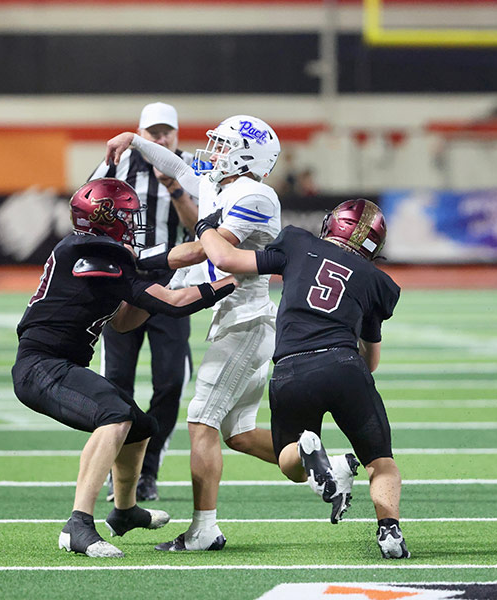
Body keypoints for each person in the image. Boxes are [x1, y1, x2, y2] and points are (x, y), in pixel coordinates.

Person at [11, 178, 236, 558]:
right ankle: (77, 524)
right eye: (127, 215)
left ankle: (125, 511)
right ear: (105, 217)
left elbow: (123, 321)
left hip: (59, 363)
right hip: (41, 366)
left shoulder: (94, 252)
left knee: (140, 425)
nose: (133, 222)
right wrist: (228, 283)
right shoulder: (90, 252)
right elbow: (173, 304)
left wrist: (162, 277)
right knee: (114, 416)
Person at [194, 199, 410, 559]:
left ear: (332, 224)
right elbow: (370, 361)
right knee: (380, 462)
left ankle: (309, 450)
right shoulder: (377, 282)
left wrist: (205, 227)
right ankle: (389, 530)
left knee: (289, 461)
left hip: (291, 368)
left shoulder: (297, 242)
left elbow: (225, 259)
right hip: (344, 366)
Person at [105, 115, 282, 551]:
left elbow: (210, 250)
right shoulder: (225, 186)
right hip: (234, 319)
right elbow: (178, 167)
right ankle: (323, 466)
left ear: (246, 156)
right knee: (239, 433)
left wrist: (144, 261)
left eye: (224, 145)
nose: (214, 152)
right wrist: (134, 141)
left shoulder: (254, 194)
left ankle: (204, 529)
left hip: (247, 320)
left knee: (201, 419)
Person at [89, 102, 198, 502]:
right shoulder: (116, 164)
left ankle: (148, 470)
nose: (161, 138)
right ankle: (117, 469)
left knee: (171, 380)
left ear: (176, 134)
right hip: (124, 281)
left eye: (167, 131)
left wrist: (174, 187)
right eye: (154, 132)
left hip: (172, 282)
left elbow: (202, 227)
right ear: (140, 132)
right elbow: (87, 210)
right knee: (116, 381)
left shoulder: (190, 167)